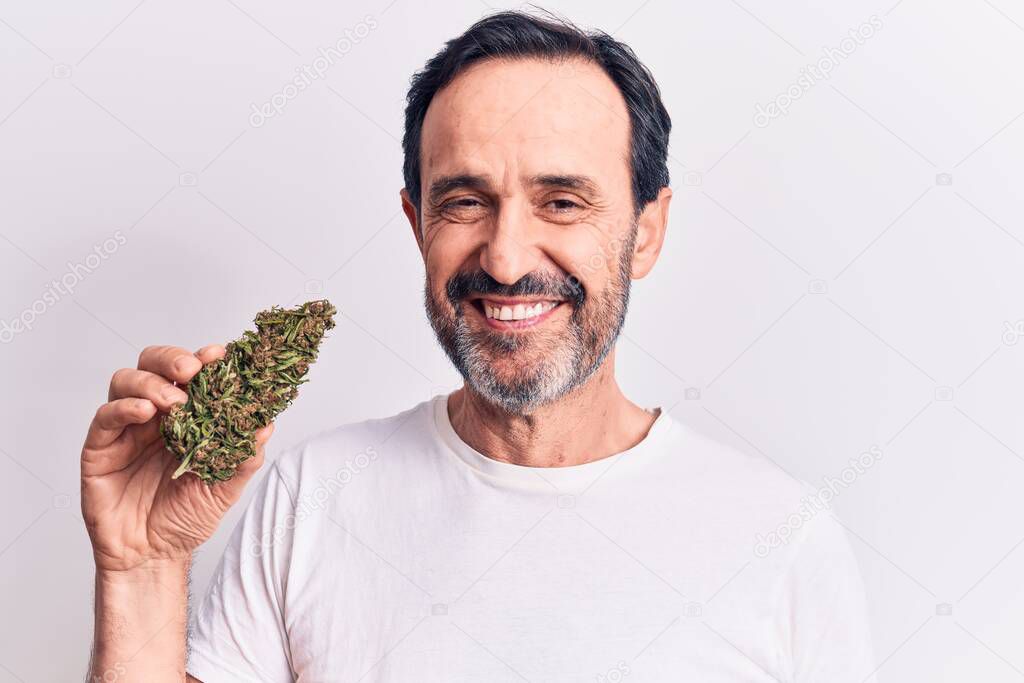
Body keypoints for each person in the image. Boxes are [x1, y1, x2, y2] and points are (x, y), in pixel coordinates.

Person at [82, 10, 875, 681]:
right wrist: (143, 568)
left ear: (647, 232)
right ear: (416, 221)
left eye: (561, 201)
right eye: (465, 201)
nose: (504, 257)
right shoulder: (312, 498)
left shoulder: (779, 537)